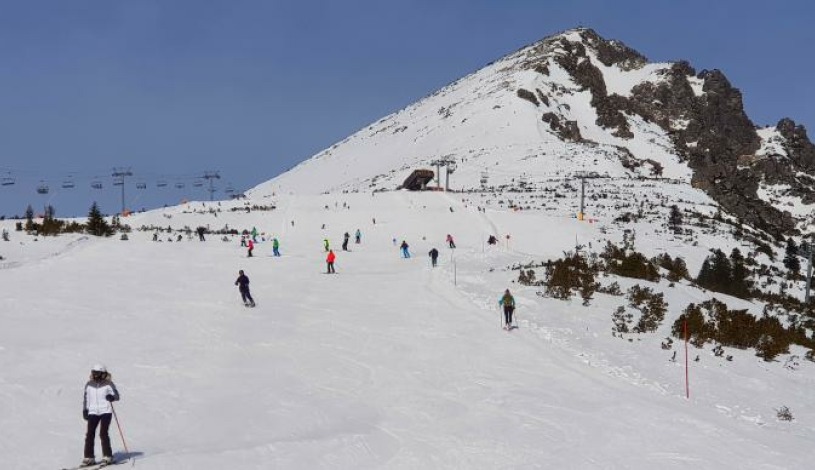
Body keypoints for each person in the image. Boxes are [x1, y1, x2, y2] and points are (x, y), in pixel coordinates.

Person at [81, 364, 120, 467]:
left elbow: (117, 396)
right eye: (94, 373)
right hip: (93, 411)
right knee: (90, 433)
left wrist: (111, 397)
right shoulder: (89, 384)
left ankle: (107, 456)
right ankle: (89, 457)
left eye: (97, 373)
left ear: (103, 374)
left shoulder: (108, 384)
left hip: (106, 411)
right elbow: (86, 398)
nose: (95, 375)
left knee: (103, 433)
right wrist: (85, 410)